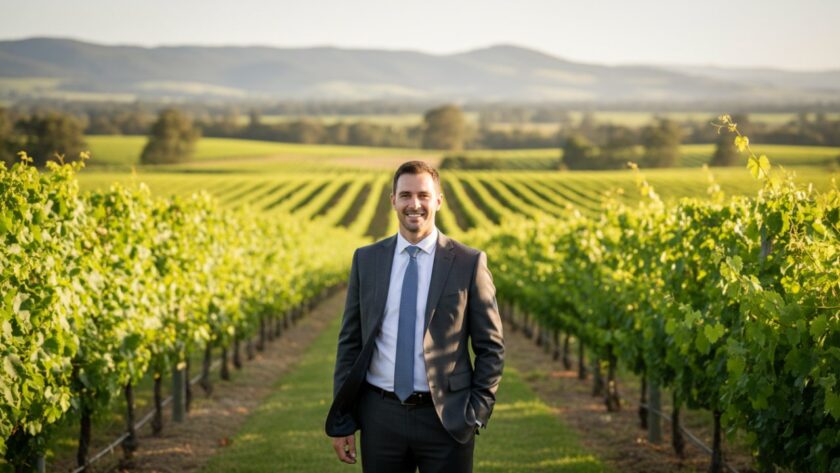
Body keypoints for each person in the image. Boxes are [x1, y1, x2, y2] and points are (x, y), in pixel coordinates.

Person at [325, 160, 504, 473]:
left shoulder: (469, 262)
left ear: (438, 200)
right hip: (380, 417)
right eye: (405, 195)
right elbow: (350, 344)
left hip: (447, 418)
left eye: (423, 195)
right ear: (393, 200)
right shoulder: (366, 260)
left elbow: (491, 347)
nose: (415, 204)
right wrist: (343, 421)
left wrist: (476, 411)